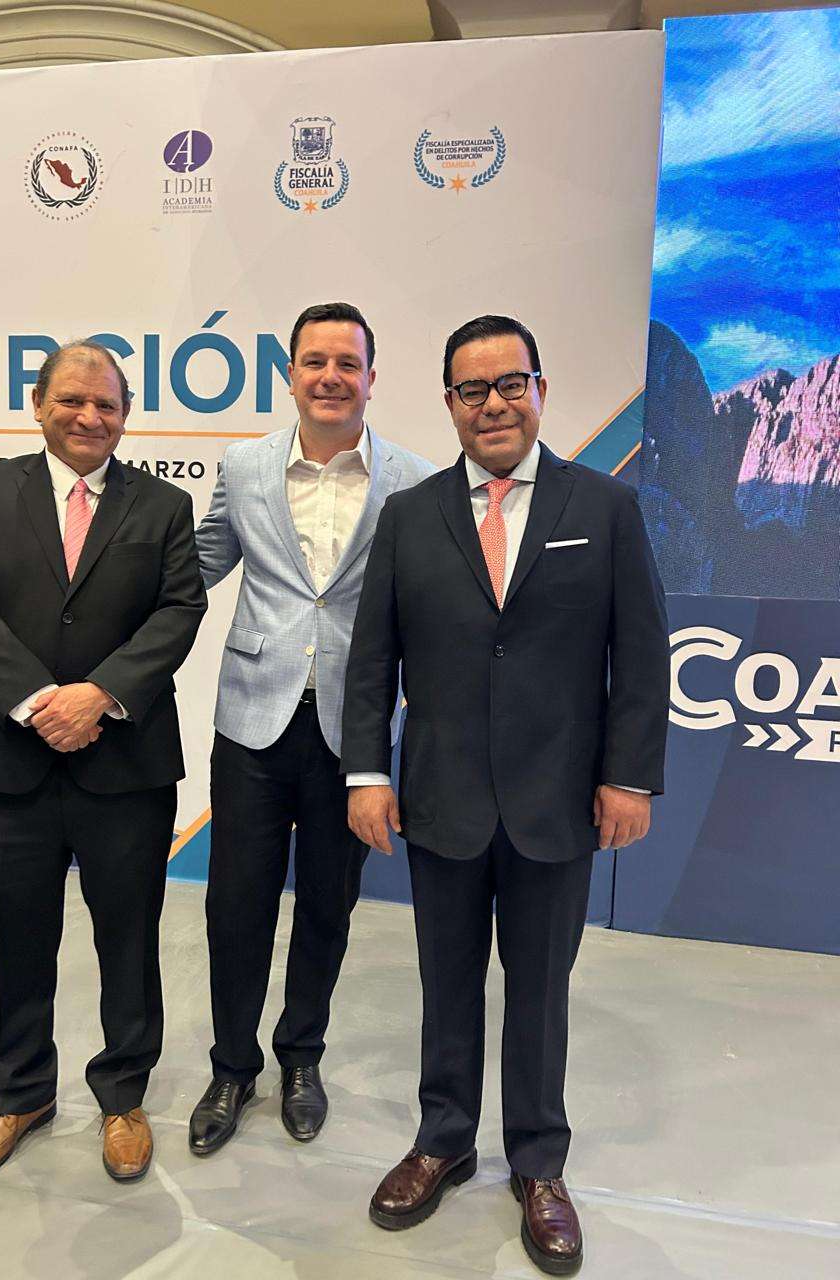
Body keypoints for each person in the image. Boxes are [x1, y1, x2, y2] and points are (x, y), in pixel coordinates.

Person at [341, 315, 669, 1274]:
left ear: (540, 390)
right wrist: (366, 773)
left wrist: (628, 776)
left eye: (510, 384)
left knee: (540, 990)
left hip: (557, 803)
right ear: (448, 403)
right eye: (471, 389)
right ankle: (442, 1140)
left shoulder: (605, 507)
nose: (493, 404)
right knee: (445, 983)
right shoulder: (410, 515)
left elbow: (640, 657)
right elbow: (373, 658)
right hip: (440, 798)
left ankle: (538, 1163)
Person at [0, 341, 206, 1184]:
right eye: (72, 401)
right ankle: (19, 1096)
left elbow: (179, 609)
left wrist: (99, 696)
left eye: (107, 405)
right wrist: (38, 701)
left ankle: (123, 1096)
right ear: (38, 405)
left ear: (126, 415)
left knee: (129, 937)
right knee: (16, 938)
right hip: (5, 757)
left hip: (124, 763)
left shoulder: (164, 505)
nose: (89, 417)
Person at [190, 302, 434, 1154]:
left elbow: (427, 606)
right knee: (236, 906)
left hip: (353, 731)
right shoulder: (243, 465)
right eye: (315, 362)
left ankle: (301, 1058)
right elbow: (198, 566)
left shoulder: (414, 479)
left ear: (371, 378)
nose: (331, 377)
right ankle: (231, 1066)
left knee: (329, 905)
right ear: (289, 374)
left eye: (347, 364)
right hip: (251, 719)